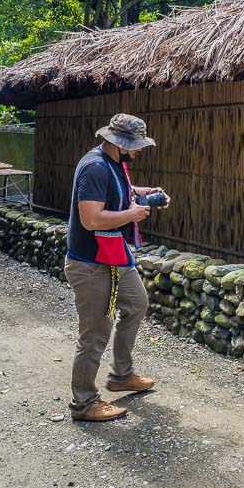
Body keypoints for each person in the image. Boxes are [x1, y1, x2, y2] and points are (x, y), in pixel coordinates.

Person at [65, 113, 171, 422]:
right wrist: (132, 214)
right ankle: (83, 402)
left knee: (137, 304)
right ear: (118, 144)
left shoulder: (113, 164)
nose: (139, 150)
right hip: (90, 263)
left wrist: (147, 194)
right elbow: (92, 219)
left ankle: (121, 375)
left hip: (113, 255)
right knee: (95, 333)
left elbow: (121, 189)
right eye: (135, 146)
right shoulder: (94, 168)